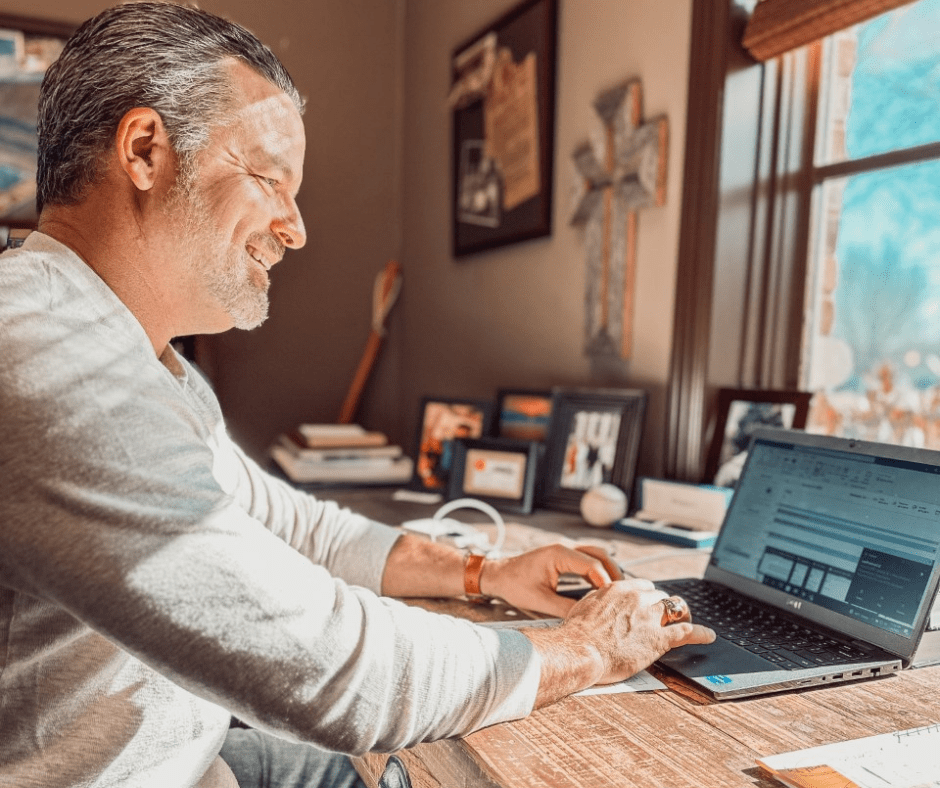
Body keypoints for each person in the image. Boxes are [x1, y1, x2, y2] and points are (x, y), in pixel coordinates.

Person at [0, 4, 715, 787]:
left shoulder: (132, 355)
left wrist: (485, 573)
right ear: (145, 151)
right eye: (271, 180)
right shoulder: (49, 357)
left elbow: (292, 525)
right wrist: (587, 647)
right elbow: (331, 669)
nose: (296, 227)